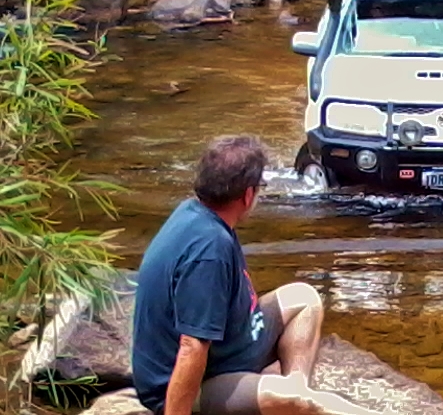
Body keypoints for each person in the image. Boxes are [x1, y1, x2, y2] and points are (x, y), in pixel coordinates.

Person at [132, 135, 385, 415]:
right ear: (248, 195)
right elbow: (192, 346)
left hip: (232, 345)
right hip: (193, 382)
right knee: (295, 398)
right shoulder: (209, 251)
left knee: (304, 299)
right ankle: (298, 401)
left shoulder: (194, 211)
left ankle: (295, 401)